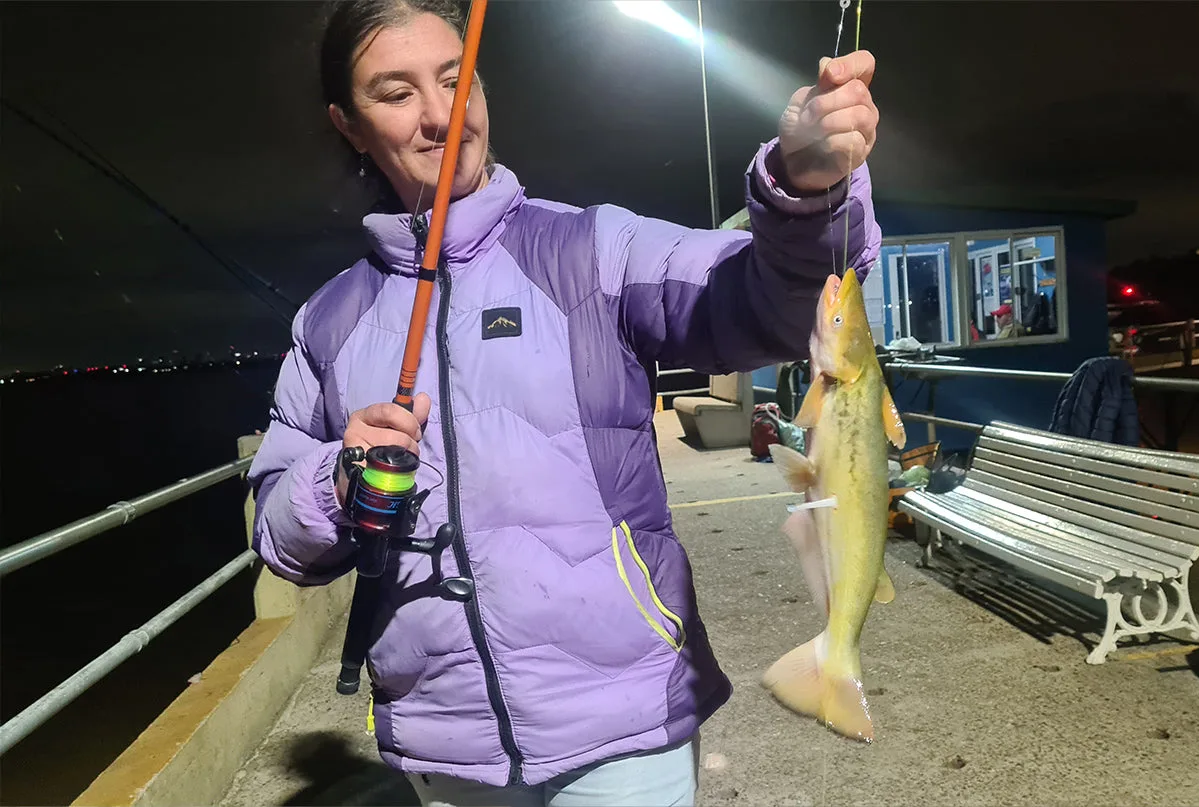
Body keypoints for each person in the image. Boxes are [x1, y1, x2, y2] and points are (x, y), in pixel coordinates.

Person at [245, 0, 882, 804]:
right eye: (396, 93)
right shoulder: (329, 323)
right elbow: (279, 535)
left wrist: (804, 187)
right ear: (349, 123)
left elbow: (767, 305)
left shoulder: (593, 252)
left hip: (622, 731)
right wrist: (337, 480)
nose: (442, 116)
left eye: (455, 79)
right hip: (447, 747)